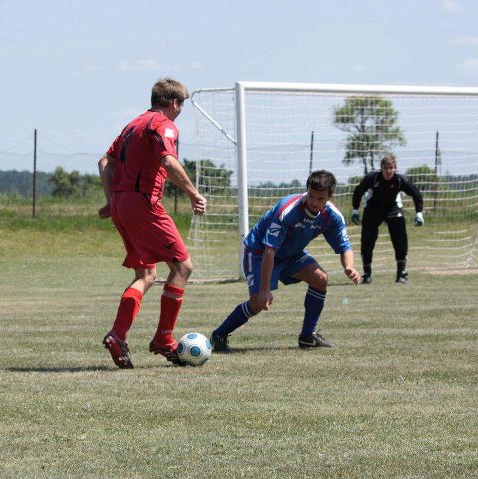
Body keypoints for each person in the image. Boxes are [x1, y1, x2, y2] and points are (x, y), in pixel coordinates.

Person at [98, 78, 206, 368]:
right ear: (173, 103)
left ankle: (118, 335)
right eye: (180, 104)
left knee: (146, 273)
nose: (180, 110)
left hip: (122, 203)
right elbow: (169, 162)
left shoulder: (132, 125)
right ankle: (163, 339)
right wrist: (193, 193)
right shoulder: (163, 124)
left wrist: (111, 200)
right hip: (143, 202)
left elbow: (104, 163)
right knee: (182, 266)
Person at [210, 170, 360, 352]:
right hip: (259, 252)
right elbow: (269, 250)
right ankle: (219, 334)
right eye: (311, 196)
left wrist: (349, 266)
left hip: (291, 254)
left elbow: (345, 246)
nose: (313, 202)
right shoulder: (288, 210)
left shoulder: (333, 216)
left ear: (330, 197)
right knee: (258, 302)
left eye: (320, 198)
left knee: (320, 278)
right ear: (307, 190)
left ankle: (307, 336)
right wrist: (265, 290)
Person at [351, 154, 424, 284]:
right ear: (381, 168)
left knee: (401, 240)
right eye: (386, 168)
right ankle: (367, 274)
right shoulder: (372, 178)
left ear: (395, 168)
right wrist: (355, 210)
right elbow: (358, 191)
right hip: (373, 209)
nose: (388, 171)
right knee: (367, 240)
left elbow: (416, 194)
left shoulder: (401, 180)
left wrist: (419, 213)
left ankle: (401, 274)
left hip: (393, 209)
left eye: (391, 168)